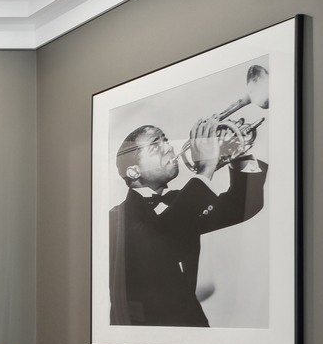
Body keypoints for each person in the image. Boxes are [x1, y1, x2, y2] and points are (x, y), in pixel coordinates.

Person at [108, 113, 267, 326]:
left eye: (165, 140)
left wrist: (237, 154)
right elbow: (162, 238)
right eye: (156, 146)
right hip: (143, 338)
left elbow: (241, 207)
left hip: (193, 327)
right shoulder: (118, 219)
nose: (170, 147)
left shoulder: (180, 205)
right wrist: (205, 169)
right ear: (134, 171)